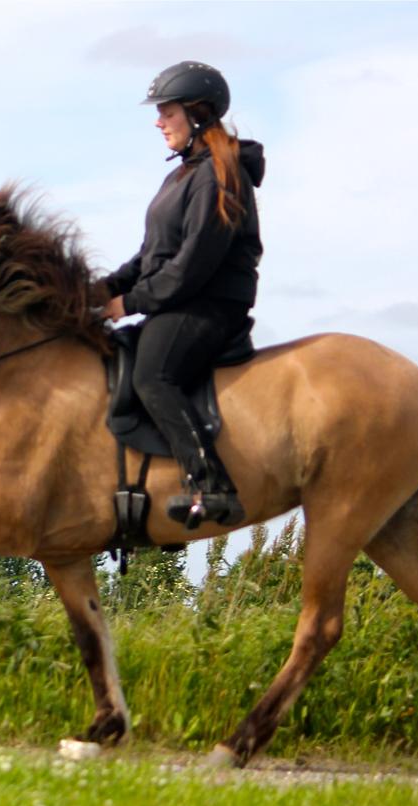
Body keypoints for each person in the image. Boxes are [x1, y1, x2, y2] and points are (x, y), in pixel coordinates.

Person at [98, 61, 265, 529]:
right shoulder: (183, 176)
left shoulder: (218, 175)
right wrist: (100, 290)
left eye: (166, 112)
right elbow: (151, 256)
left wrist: (128, 304)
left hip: (207, 305)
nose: (158, 122)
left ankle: (212, 485)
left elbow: (191, 267)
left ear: (196, 113)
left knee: (153, 375)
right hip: (180, 300)